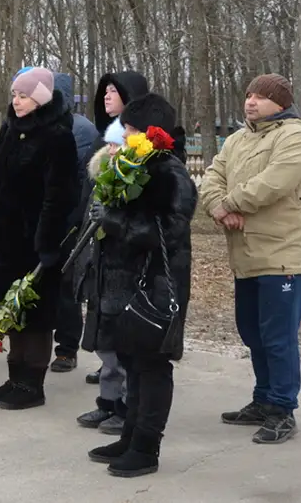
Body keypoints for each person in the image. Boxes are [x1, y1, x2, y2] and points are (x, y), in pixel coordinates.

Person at [80, 93, 197, 477]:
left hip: (155, 286)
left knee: (151, 366)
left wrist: (114, 222)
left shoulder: (169, 172)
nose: (124, 134)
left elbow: (170, 229)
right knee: (131, 361)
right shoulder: (133, 165)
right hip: (123, 284)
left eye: (130, 129)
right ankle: (130, 435)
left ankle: (146, 447)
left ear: (150, 132)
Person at [199, 73, 301, 445]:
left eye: (261, 97)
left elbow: (275, 182)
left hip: (284, 254)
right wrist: (217, 205)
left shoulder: (296, 136)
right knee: (252, 332)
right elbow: (212, 176)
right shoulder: (237, 138)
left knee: (278, 336)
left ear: (280, 104)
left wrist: (230, 203)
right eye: (249, 95)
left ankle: (283, 409)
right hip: (245, 253)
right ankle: (263, 399)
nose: (251, 102)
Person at [0, 66, 79, 409]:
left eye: (24, 96)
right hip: (5, 239)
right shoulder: (10, 129)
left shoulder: (57, 135)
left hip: (36, 243)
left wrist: (47, 243)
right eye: (15, 95)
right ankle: (14, 376)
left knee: (34, 313)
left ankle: (33, 383)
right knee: (9, 309)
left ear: (41, 99)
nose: (17, 102)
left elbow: (60, 195)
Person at [75, 70, 151, 432]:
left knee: (123, 333)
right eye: (103, 90)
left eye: (114, 91)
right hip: (101, 249)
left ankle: (125, 405)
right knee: (103, 328)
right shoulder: (105, 139)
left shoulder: (146, 146)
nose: (106, 96)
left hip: (128, 256)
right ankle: (108, 400)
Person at [51, 72, 100, 373]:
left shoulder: (82, 130)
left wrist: (72, 218)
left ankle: (67, 347)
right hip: (42, 217)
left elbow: (84, 180)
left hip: (69, 220)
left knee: (66, 285)